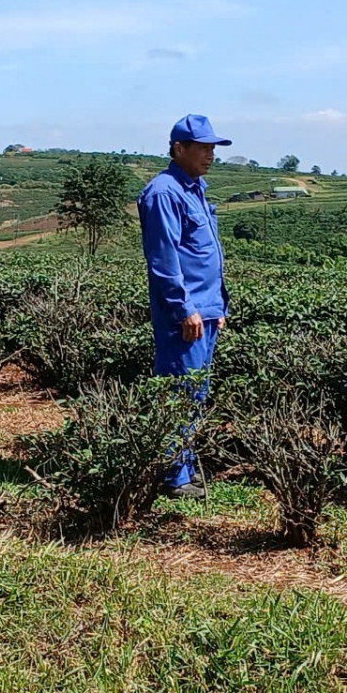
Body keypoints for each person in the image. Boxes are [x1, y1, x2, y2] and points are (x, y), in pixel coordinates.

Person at [137, 113, 232, 499]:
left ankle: (185, 469)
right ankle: (172, 477)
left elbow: (205, 254)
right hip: (186, 314)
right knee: (179, 390)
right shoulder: (164, 192)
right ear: (179, 149)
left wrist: (216, 306)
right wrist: (184, 308)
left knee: (197, 392)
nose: (210, 154)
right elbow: (164, 259)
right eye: (203, 147)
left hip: (206, 309)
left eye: (213, 148)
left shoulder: (195, 188)